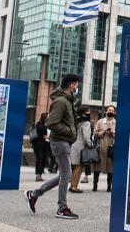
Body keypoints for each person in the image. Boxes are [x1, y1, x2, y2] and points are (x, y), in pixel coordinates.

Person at [24, 74, 80, 219]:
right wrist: (69, 131)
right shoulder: (61, 101)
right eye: (76, 84)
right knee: (66, 175)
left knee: (64, 175)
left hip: (64, 142)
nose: (77, 87)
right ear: (71, 85)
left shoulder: (66, 101)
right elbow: (51, 123)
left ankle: (34, 194)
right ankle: (62, 209)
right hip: (60, 142)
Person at [69, 107, 93, 193]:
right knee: (79, 167)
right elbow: (86, 137)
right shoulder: (86, 123)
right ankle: (74, 186)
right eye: (88, 111)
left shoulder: (77, 122)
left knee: (75, 166)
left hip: (74, 145)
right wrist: (91, 145)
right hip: (81, 147)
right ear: (83, 113)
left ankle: (72, 185)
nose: (89, 113)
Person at [93, 105, 116, 192]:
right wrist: (103, 132)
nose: (111, 111)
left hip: (111, 148)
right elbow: (94, 133)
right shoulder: (100, 121)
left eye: (112, 110)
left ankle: (109, 186)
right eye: (109, 110)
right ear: (106, 111)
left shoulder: (116, 122)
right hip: (101, 147)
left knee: (110, 168)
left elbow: (119, 134)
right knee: (97, 167)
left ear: (114, 113)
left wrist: (112, 133)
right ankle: (95, 185)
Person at [31, 113, 49, 182]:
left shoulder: (47, 124)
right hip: (37, 144)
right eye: (47, 118)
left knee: (44, 158)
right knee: (40, 158)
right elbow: (43, 130)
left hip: (45, 144)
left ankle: (40, 174)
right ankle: (38, 174)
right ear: (44, 118)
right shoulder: (39, 123)